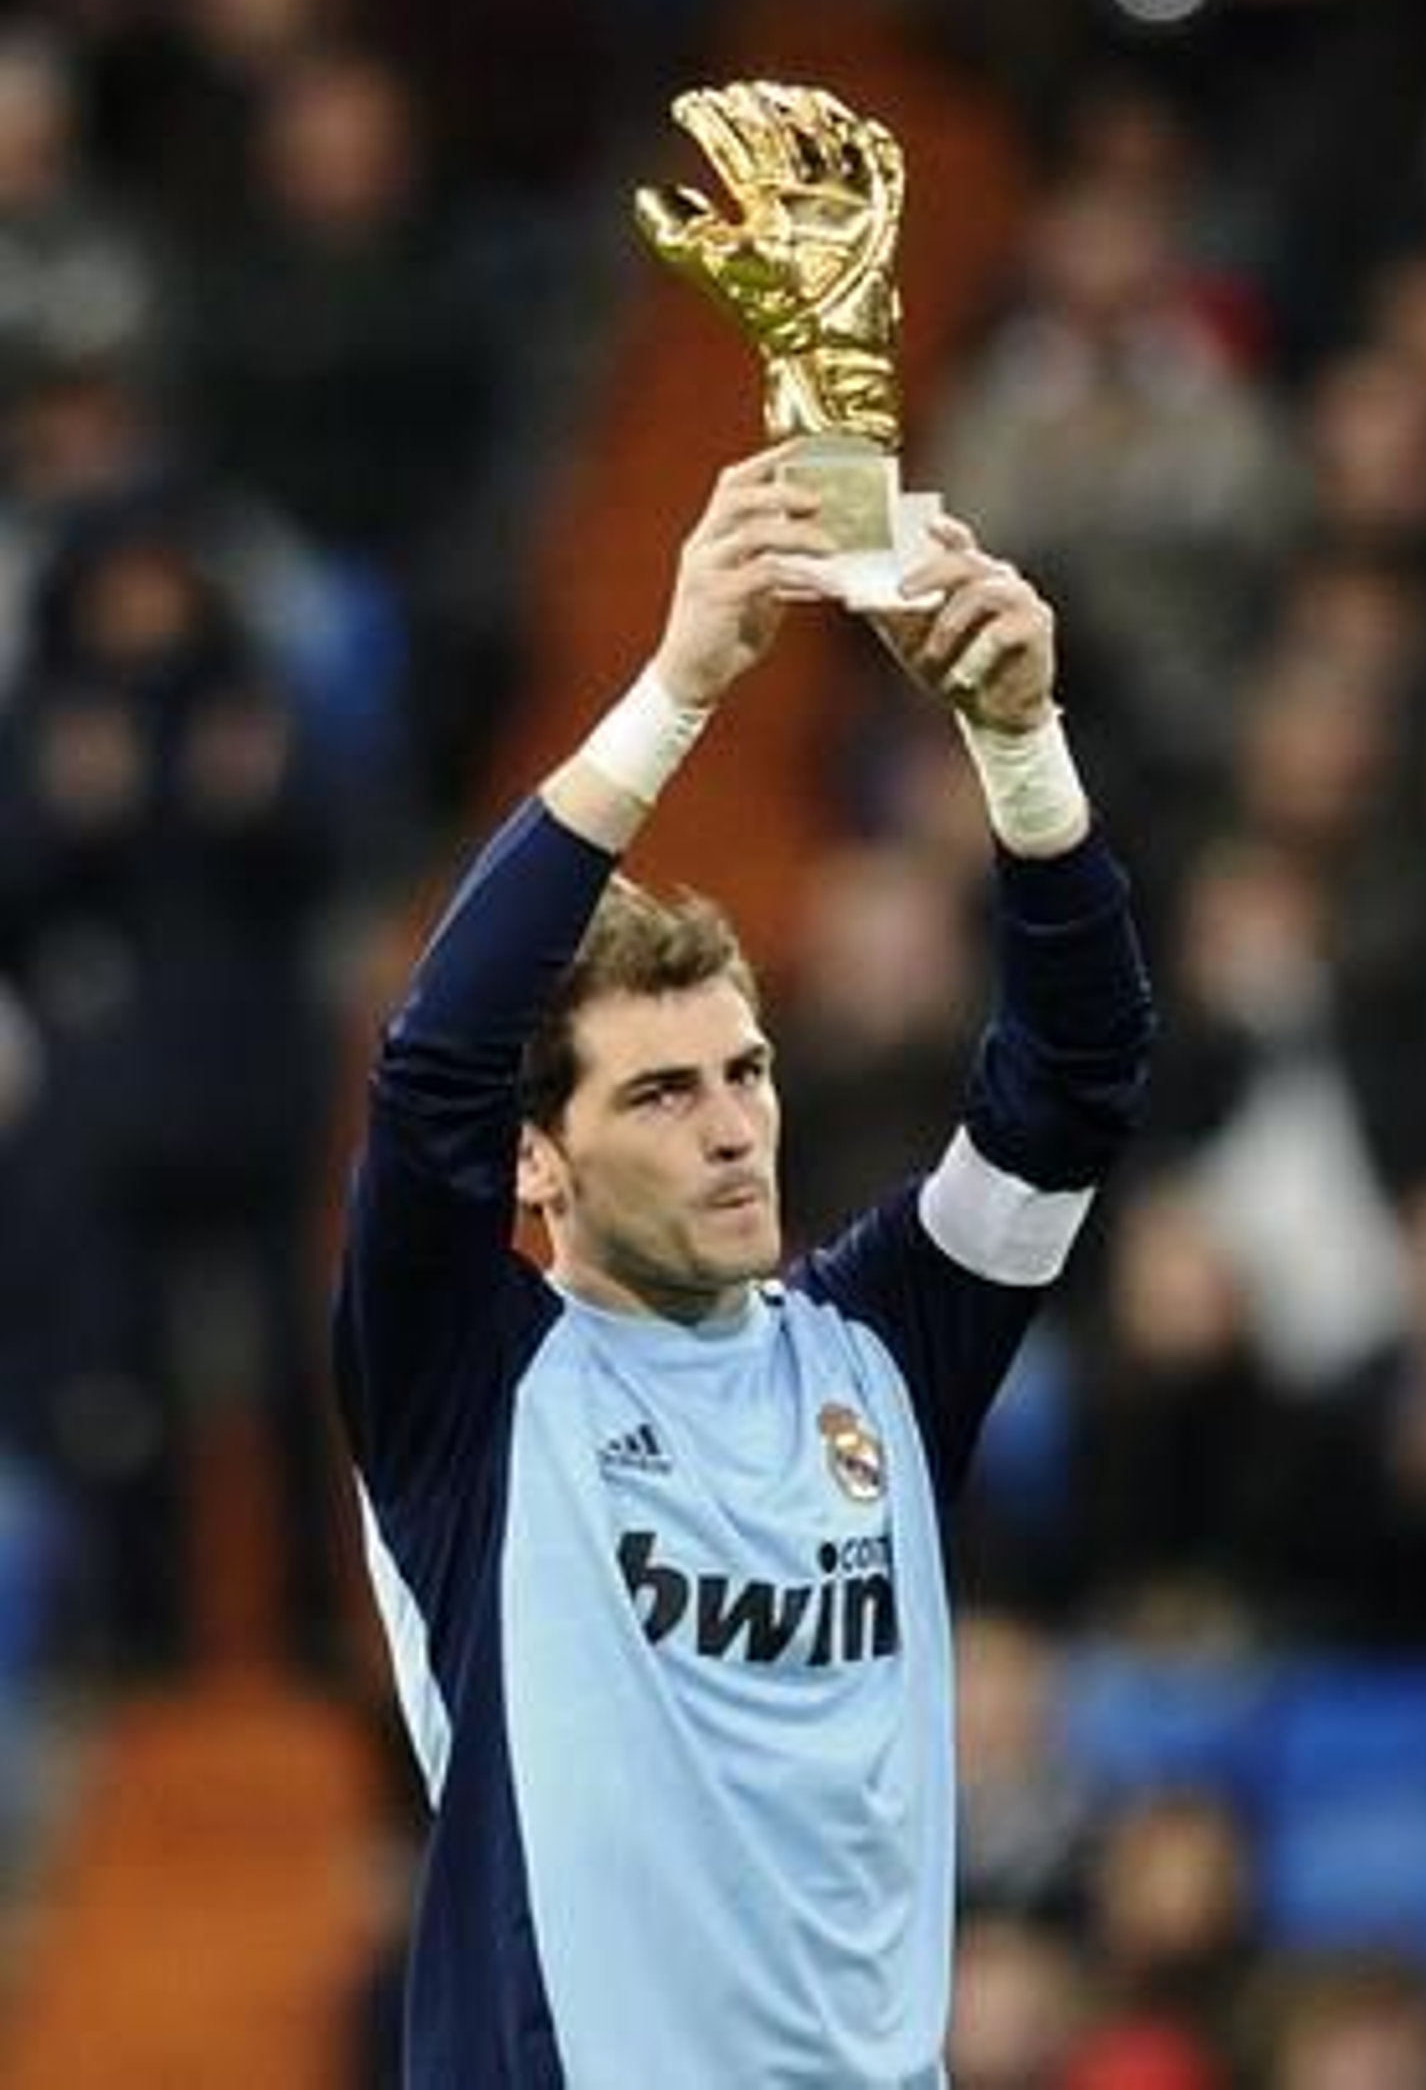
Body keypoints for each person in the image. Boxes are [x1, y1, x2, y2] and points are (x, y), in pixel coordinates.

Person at [333, 444, 1155, 2086]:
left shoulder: (884, 1354)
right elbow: (431, 1067)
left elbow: (1076, 1083)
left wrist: (1017, 742)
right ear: (535, 1162)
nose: (731, 1129)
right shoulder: (470, 1392)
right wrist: (679, 684)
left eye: (747, 1070)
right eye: (660, 1089)